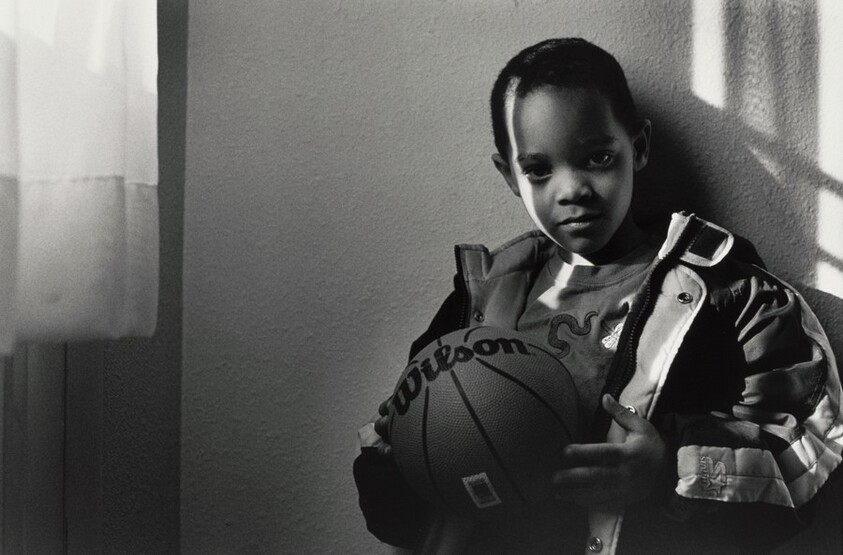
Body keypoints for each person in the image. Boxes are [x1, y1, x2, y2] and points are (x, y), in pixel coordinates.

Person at [353, 38, 843, 555]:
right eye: (539, 170)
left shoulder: (731, 293)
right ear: (509, 177)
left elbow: (809, 463)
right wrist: (396, 452)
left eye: (598, 158)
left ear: (639, 146)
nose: (572, 189)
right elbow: (404, 508)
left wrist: (666, 469)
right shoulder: (480, 299)